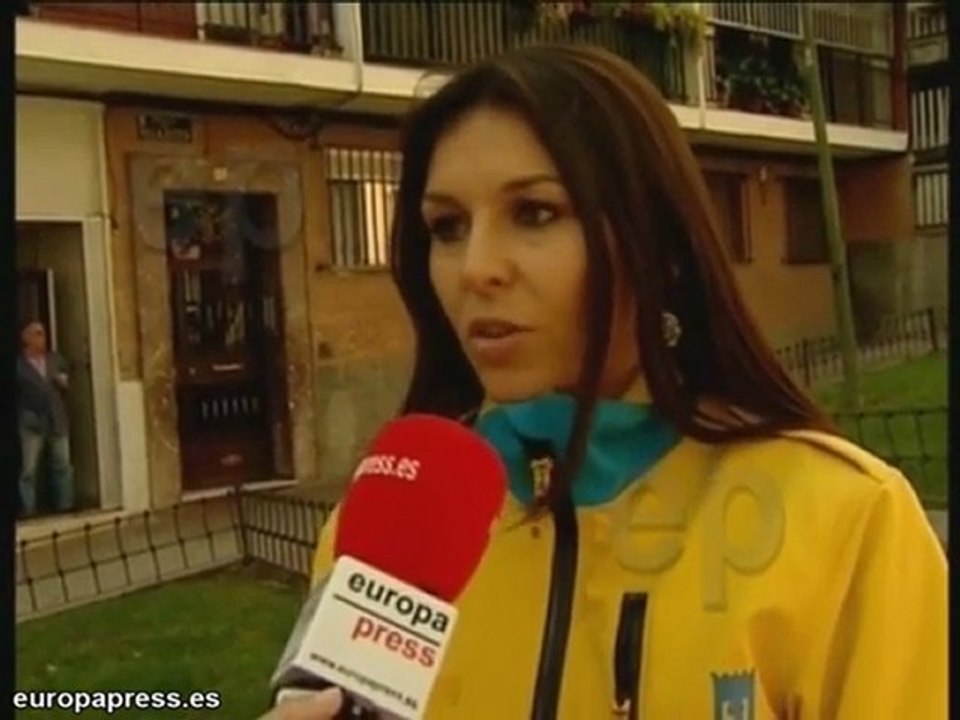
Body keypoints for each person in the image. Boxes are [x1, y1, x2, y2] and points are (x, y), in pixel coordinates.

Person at [263, 44, 946, 719]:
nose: (475, 268)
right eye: (447, 226)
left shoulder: (846, 523)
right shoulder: (385, 525)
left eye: (535, 213)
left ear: (659, 244)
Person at [17, 320, 75, 517]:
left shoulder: (55, 359)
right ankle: (29, 510)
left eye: (43, 333)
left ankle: (65, 505)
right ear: (26, 338)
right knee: (29, 470)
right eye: (38, 333)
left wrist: (63, 382)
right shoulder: (18, 365)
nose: (43, 338)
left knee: (62, 465)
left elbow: (67, 381)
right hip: (32, 423)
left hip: (57, 420)